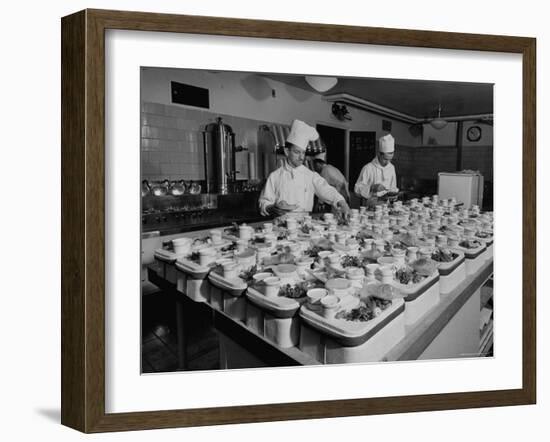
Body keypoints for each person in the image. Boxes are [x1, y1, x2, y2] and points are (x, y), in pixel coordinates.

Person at [259, 119, 350, 218]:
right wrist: (272, 208)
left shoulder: (310, 175)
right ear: (286, 151)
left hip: (305, 226)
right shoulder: (275, 176)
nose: (301, 157)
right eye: (297, 152)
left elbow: (327, 190)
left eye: (303, 152)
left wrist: (342, 202)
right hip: (281, 226)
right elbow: (264, 202)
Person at [354, 133, 399, 205]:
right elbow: (356, 190)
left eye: (390, 160)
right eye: (385, 159)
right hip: (370, 205)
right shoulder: (368, 168)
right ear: (379, 154)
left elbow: (393, 187)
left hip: (386, 207)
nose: (387, 162)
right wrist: (372, 187)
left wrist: (393, 195)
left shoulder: (391, 168)